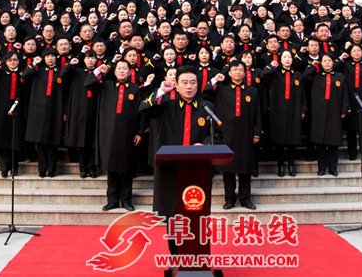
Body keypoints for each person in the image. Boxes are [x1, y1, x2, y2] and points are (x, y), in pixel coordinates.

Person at [139, 66, 219, 255]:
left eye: (193, 83)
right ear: (176, 85)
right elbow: (143, 109)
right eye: (184, 82)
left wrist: (204, 145)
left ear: (198, 85)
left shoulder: (207, 107)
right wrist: (161, 91)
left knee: (197, 212)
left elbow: (217, 134)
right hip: (170, 169)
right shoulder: (165, 105)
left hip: (197, 170)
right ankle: (175, 256)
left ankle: (198, 257)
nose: (189, 87)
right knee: (173, 214)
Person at [86, 60, 145, 211]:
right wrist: (98, 70)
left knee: (126, 167)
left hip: (128, 133)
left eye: (125, 68)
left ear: (129, 71)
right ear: (114, 71)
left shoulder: (135, 89)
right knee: (111, 167)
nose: (122, 71)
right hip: (109, 133)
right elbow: (88, 84)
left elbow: (141, 113)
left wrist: (139, 132)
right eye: (119, 68)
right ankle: (112, 200)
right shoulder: (106, 86)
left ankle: (126, 200)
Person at [212, 60, 262, 210]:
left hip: (246, 134)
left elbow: (257, 113)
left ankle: (245, 199)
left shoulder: (252, 91)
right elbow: (205, 93)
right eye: (234, 69)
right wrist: (216, 79)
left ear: (245, 72)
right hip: (227, 134)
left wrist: (257, 132)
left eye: (241, 69)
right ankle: (229, 200)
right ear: (229, 72)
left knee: (245, 169)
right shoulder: (222, 90)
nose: (238, 72)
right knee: (228, 170)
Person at [23, 48, 70, 178]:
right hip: (38, 111)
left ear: (56, 58)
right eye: (47, 56)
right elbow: (25, 75)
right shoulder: (38, 70)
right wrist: (34, 63)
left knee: (53, 141)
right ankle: (42, 169)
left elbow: (66, 93)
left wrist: (65, 110)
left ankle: (52, 169)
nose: (50, 58)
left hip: (55, 109)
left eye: (52, 56)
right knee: (40, 141)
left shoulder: (61, 72)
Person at [262, 50, 306, 177]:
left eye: (289, 57)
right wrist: (272, 66)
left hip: (294, 110)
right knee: (279, 141)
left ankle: (291, 166)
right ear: (280, 60)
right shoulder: (275, 74)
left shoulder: (298, 75)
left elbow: (303, 93)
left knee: (293, 140)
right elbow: (264, 76)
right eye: (285, 57)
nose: (287, 59)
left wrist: (303, 109)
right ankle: (280, 166)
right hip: (278, 110)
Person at [304, 54, 349, 176]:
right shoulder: (316, 76)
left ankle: (333, 168)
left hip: (334, 113)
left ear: (333, 62)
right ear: (321, 63)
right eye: (324, 61)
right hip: (318, 114)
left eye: (329, 60)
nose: (327, 63)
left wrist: (344, 110)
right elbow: (305, 76)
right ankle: (321, 168)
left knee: (333, 143)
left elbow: (345, 94)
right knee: (320, 143)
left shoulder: (340, 77)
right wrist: (313, 65)